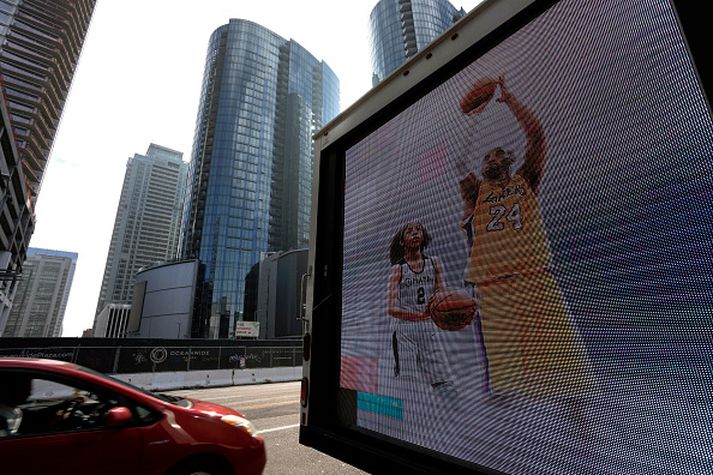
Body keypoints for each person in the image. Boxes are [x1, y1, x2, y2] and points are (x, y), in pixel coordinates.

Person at [456, 76, 592, 410]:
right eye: (487, 156)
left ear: (510, 160)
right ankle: (514, 444)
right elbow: (459, 163)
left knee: (567, 373)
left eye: (499, 153)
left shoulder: (526, 178)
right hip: (492, 285)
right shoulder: (476, 192)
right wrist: (474, 116)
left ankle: (581, 429)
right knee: (506, 386)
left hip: (534, 276)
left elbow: (537, 134)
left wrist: (510, 99)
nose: (492, 157)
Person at [386, 222, 454, 391]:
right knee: (407, 382)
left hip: (427, 327)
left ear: (423, 236)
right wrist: (420, 315)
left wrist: (446, 307)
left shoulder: (434, 262)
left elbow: (442, 292)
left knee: (444, 382)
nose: (415, 233)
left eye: (419, 230)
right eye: (410, 231)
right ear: (402, 241)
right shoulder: (398, 269)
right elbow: (392, 308)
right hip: (404, 329)